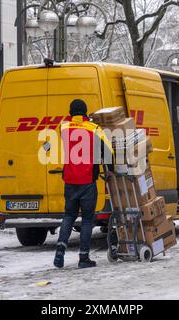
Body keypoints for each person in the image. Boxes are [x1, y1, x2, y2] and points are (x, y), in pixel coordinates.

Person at [54, 99, 113, 269]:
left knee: (69, 216)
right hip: (87, 181)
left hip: (70, 181)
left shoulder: (64, 127)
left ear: (71, 112)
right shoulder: (94, 129)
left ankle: (60, 250)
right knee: (87, 220)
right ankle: (83, 258)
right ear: (85, 112)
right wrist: (108, 170)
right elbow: (107, 151)